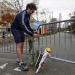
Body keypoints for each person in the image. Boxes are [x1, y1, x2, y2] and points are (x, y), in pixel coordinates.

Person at [11, 3, 40, 71]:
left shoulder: (28, 16)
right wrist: (32, 34)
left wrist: (32, 31)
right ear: (28, 9)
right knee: (19, 44)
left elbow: (28, 26)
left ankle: (18, 60)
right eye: (32, 11)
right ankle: (21, 63)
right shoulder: (22, 15)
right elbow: (24, 27)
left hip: (20, 29)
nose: (32, 13)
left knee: (22, 44)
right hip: (15, 29)